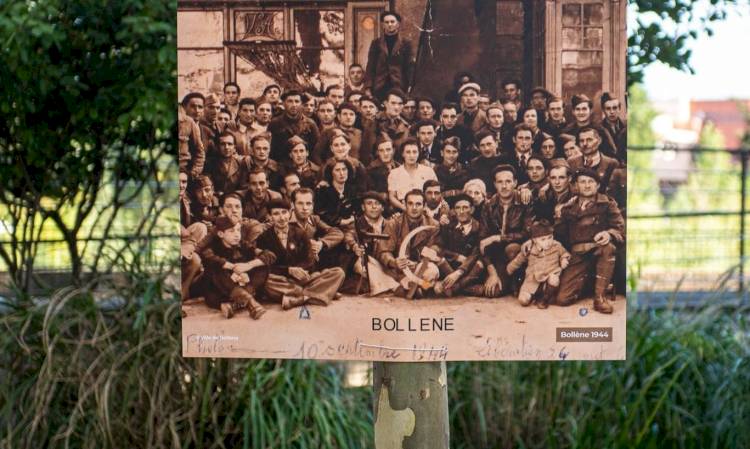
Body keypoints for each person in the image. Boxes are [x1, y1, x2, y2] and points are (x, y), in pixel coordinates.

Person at [555, 168, 624, 313]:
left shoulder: (607, 204)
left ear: (598, 185)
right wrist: (558, 217)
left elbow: (621, 229)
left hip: (599, 250)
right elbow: (559, 236)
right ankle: (591, 282)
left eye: (591, 182)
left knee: (608, 248)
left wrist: (609, 234)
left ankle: (599, 298)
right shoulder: (568, 208)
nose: (587, 185)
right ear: (575, 186)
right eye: (582, 182)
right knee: (562, 299)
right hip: (578, 256)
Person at [256, 198, 346, 309]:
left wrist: (300, 271)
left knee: (338, 272)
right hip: (281, 280)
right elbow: (265, 266)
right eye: (276, 214)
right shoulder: (264, 238)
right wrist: (289, 270)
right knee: (265, 281)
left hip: (303, 277)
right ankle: (317, 294)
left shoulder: (300, 232)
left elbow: (309, 259)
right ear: (269, 217)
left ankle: (299, 297)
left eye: (284, 212)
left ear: (290, 213)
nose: (282, 218)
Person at [200, 216, 270, 319]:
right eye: (231, 231)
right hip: (220, 292)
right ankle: (251, 303)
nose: (237, 234)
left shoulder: (243, 245)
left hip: (242, 286)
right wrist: (233, 268)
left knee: (263, 265)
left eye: (238, 230)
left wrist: (248, 266)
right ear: (221, 234)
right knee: (217, 267)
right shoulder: (214, 246)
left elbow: (269, 255)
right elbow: (208, 256)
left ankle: (234, 305)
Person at [479, 165, 532, 297]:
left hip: (517, 254)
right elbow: (482, 240)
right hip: (497, 255)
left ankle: (517, 283)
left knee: (512, 248)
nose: (504, 186)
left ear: (515, 183)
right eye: (500, 182)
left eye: (508, 181)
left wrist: (499, 238)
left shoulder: (524, 202)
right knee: (494, 292)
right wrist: (492, 273)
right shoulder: (488, 206)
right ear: (494, 184)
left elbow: (527, 233)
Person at [376, 189, 441, 297]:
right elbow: (384, 251)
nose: (414, 208)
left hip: (419, 268)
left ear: (424, 206)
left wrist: (417, 263)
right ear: (404, 204)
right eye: (410, 203)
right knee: (380, 271)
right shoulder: (393, 223)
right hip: (398, 271)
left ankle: (416, 288)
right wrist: (394, 262)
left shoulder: (433, 225)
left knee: (431, 271)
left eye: (418, 204)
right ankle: (420, 288)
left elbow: (433, 250)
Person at [506, 220, 570, 308]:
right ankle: (532, 295)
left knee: (554, 279)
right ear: (535, 240)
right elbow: (519, 260)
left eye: (550, 237)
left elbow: (564, 253)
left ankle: (544, 299)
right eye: (543, 239)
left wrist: (564, 259)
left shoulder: (557, 246)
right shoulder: (529, 249)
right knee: (523, 301)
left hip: (548, 280)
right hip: (532, 280)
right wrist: (509, 269)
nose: (547, 242)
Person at [433, 193, 484, 296]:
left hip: (468, 269)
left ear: (472, 209)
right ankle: (465, 289)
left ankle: (455, 287)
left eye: (465, 208)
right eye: (458, 208)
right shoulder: (448, 225)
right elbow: (439, 247)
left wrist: (459, 272)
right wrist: (456, 257)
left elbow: (476, 253)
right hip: (449, 267)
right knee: (437, 256)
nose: (461, 212)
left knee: (479, 263)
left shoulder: (479, 227)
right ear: (454, 210)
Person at [290, 187, 345, 270]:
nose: (305, 208)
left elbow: (337, 233)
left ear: (313, 206)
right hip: (292, 267)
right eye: (300, 203)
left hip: (311, 265)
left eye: (308, 203)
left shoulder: (314, 219)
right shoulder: (284, 220)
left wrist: (321, 243)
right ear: (293, 204)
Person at [365, 11, 413, 101]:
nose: (390, 24)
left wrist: (410, 85)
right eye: (386, 22)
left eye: (392, 22)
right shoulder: (376, 43)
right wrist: (368, 87)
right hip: (380, 86)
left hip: (399, 85)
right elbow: (370, 66)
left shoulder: (406, 44)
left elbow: (409, 66)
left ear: (398, 24)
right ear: (383, 24)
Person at [268, 90, 320, 163]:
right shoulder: (275, 123)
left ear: (301, 104)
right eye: (290, 101)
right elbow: (271, 150)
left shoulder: (310, 123)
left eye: (297, 101)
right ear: (284, 103)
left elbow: (317, 150)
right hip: (282, 166)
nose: (294, 105)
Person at [387, 138, 438, 211]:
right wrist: (404, 208)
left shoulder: (428, 171)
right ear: (402, 154)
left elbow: (436, 193)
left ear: (418, 153)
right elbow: (392, 196)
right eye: (408, 152)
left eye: (414, 152)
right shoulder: (394, 173)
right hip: (402, 210)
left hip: (425, 210)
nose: (412, 155)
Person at [568, 127, 620, 195]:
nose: (585, 144)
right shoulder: (572, 163)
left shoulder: (611, 163)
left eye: (589, 140)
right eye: (581, 141)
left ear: (599, 141)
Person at [206, 131, 252, 196]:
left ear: (234, 147)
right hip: (216, 199)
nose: (226, 147)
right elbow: (208, 185)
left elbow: (243, 187)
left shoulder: (241, 163)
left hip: (236, 199)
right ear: (217, 146)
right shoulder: (210, 163)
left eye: (230, 144)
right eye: (223, 144)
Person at [315, 159, 359, 227]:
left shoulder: (351, 189)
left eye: (344, 169)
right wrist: (339, 221)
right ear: (331, 173)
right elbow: (320, 213)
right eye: (337, 170)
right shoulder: (323, 190)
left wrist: (351, 219)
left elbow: (356, 210)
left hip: (349, 226)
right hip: (328, 227)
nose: (342, 173)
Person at [467, 131, 508, 195]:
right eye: (482, 145)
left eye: (489, 144)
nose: (486, 148)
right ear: (478, 148)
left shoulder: (507, 159)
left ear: (496, 143)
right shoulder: (474, 164)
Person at [600, 92, 627, 162]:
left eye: (615, 108)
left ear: (619, 109)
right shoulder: (599, 129)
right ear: (603, 110)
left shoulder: (627, 127)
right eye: (608, 109)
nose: (612, 112)